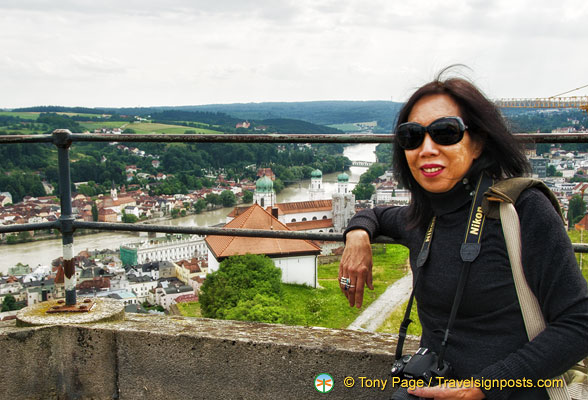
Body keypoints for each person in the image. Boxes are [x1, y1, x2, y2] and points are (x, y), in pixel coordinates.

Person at [339, 72, 588, 400]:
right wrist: (357, 234)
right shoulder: (423, 216)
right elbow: (376, 215)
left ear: (478, 142)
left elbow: (579, 322)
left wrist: (485, 386)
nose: (426, 149)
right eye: (412, 137)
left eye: (445, 133)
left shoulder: (522, 209)